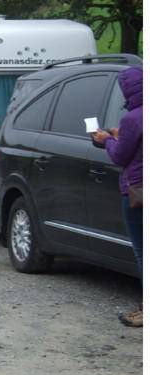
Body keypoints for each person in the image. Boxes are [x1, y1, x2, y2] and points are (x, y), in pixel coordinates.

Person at [92, 65, 143, 327]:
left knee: (142, 251)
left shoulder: (132, 118)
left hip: (138, 192)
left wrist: (106, 140)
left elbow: (120, 156)